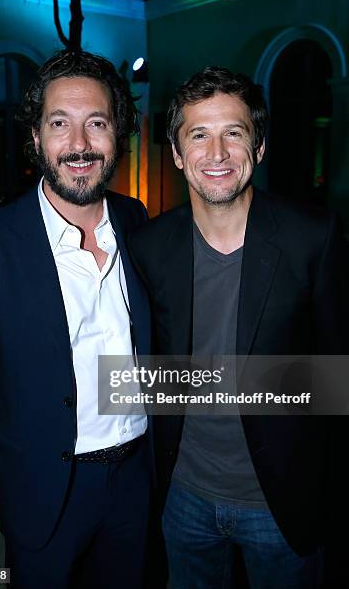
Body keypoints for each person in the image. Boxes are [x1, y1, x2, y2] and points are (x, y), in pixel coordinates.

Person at [128, 66, 348, 588]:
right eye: (198, 135)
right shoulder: (150, 248)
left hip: (282, 503)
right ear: (178, 154)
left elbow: (339, 375)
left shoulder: (312, 237)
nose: (218, 153)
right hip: (184, 499)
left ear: (260, 145)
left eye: (234, 132)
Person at [0, 49, 151, 589]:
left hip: (136, 478)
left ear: (117, 134)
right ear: (36, 139)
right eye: (60, 123)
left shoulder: (137, 219)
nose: (79, 144)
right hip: (43, 485)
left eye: (97, 123)